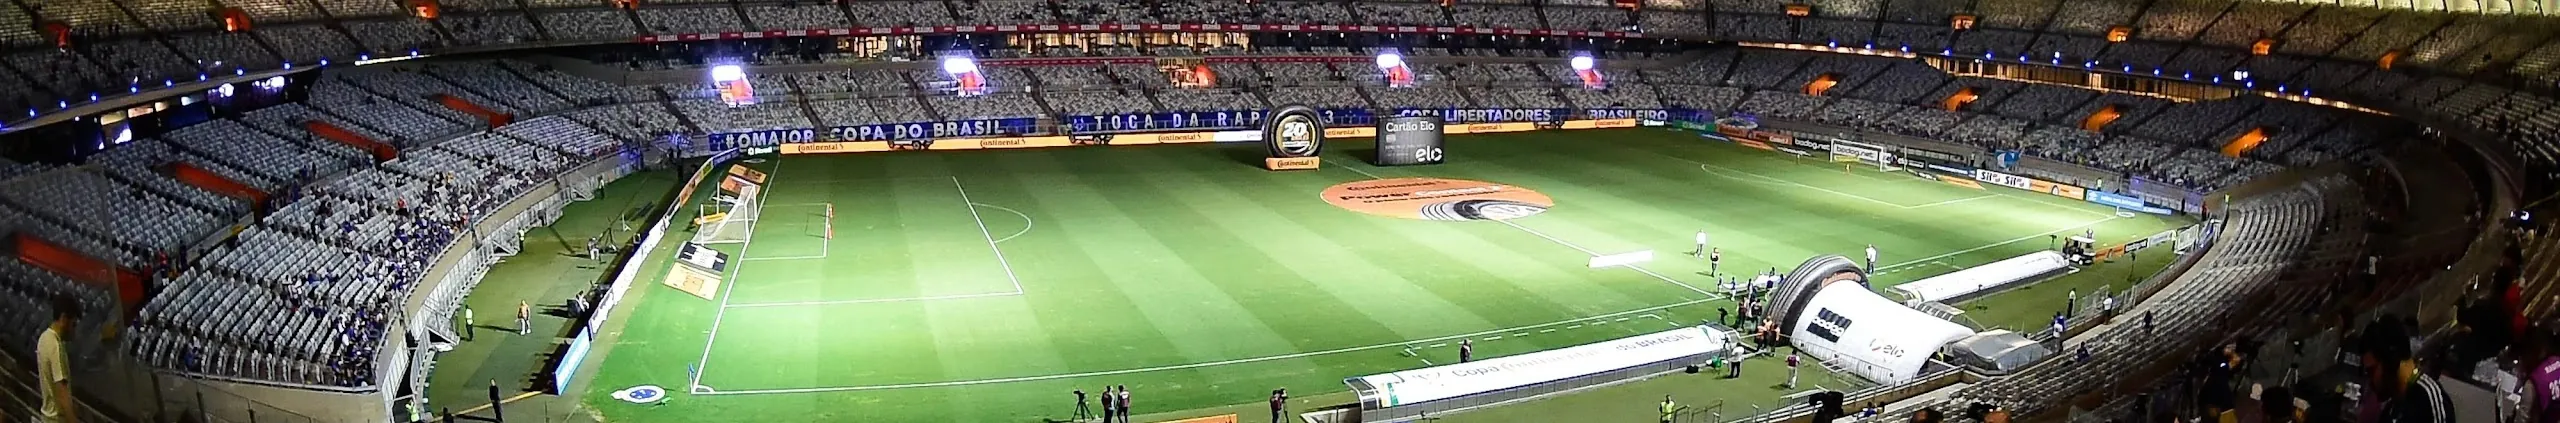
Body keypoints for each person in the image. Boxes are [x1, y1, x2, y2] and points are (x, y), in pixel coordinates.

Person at [37, 296, 74, 423]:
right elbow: (62, 392)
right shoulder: (55, 346)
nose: (73, 331)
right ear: (63, 318)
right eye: (73, 324)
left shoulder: (44, 338)